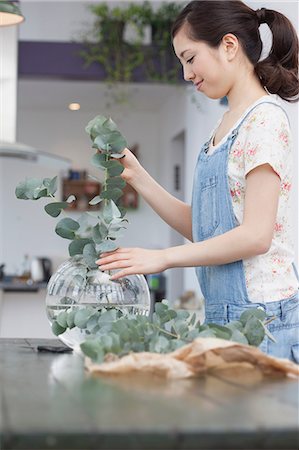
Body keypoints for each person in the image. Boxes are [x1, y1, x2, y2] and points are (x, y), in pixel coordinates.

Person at [97, 1, 299, 361]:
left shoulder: (264, 120)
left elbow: (255, 236)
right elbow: (207, 229)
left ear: (229, 46)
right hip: (225, 315)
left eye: (190, 58)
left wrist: (163, 258)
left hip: (265, 317)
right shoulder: (222, 128)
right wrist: (138, 176)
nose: (186, 74)